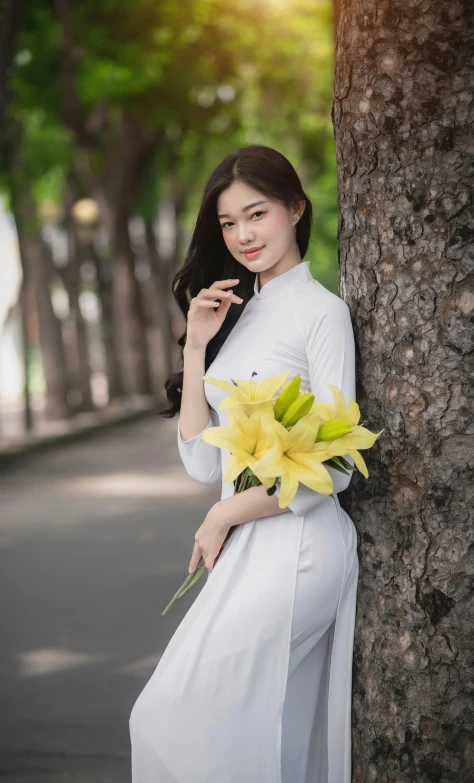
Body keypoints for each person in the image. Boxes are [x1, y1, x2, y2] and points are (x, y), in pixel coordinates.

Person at [129, 144, 359, 783]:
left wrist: (226, 513)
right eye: (228, 224)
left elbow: (336, 467)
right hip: (249, 549)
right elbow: (203, 464)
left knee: (179, 719)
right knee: (241, 735)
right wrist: (198, 347)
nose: (242, 236)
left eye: (256, 214)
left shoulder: (322, 314)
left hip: (300, 549)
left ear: (295, 207)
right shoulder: (236, 316)